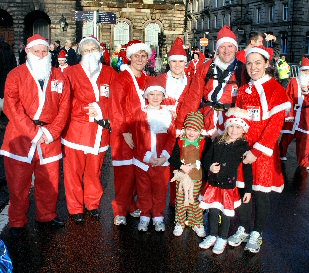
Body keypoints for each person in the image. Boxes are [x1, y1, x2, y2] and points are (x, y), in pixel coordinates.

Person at [0, 34, 70, 236]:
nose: (41, 54)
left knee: (49, 181)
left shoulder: (58, 76)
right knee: (18, 183)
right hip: (21, 136)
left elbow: (65, 107)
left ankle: (47, 214)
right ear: (27, 52)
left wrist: (52, 132)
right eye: (36, 51)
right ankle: (17, 220)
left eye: (44, 51)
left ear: (49, 53)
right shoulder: (16, 74)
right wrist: (32, 133)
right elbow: (11, 107)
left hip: (49, 136)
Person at [227, 46, 290, 253]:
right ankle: (244, 228)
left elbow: (274, 126)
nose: (253, 67)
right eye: (250, 63)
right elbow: (240, 120)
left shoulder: (276, 90)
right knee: (244, 190)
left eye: (258, 63)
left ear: (266, 64)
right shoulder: (244, 89)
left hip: (263, 154)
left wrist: (257, 151)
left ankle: (257, 232)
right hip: (243, 150)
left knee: (261, 194)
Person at [61, 36, 118, 223]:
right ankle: (75, 207)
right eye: (86, 50)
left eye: (93, 49)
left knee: (95, 171)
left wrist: (102, 110)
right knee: (73, 172)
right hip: (76, 131)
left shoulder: (110, 73)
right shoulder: (70, 73)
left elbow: (117, 101)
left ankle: (92, 204)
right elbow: (64, 102)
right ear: (80, 53)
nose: (90, 53)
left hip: (100, 133)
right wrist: (86, 110)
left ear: (100, 51)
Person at [175, 25, 248, 138]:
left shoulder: (243, 69)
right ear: (217, 49)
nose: (226, 51)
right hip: (208, 121)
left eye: (230, 46)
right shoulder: (205, 68)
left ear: (235, 48)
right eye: (222, 47)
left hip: (233, 125)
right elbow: (193, 97)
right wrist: (181, 125)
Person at [109, 39, 152, 226]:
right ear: (130, 57)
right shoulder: (122, 79)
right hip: (125, 132)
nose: (140, 59)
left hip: (142, 131)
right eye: (137, 55)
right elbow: (115, 107)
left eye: (143, 55)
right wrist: (124, 131)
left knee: (138, 173)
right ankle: (120, 209)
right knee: (125, 174)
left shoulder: (148, 79)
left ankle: (133, 204)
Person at [199, 107, 252, 254]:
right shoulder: (217, 141)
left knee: (226, 213)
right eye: (232, 126)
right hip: (213, 184)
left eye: (238, 127)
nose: (234, 130)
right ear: (227, 126)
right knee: (213, 211)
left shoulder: (243, 146)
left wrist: (248, 189)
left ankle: (222, 238)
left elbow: (247, 169)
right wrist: (210, 166)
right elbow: (207, 157)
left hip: (228, 186)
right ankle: (212, 235)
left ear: (243, 130)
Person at [130, 76, 175, 232]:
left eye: (159, 94)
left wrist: (164, 155)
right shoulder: (140, 114)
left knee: (160, 190)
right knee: (143, 190)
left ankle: (158, 216)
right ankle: (144, 216)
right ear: (146, 96)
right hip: (143, 161)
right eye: (152, 94)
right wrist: (147, 156)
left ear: (163, 96)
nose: (155, 98)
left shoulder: (168, 115)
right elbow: (137, 138)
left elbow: (171, 137)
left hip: (162, 162)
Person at [157, 37, 192, 207]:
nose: (177, 65)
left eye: (181, 61)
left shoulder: (191, 82)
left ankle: (177, 202)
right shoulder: (160, 80)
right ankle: (157, 205)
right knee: (162, 167)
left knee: (181, 166)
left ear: (185, 63)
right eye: (174, 61)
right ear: (169, 62)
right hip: (163, 130)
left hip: (184, 130)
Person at [168, 111, 207, 238]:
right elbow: (172, 158)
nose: (191, 133)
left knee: (194, 201)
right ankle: (179, 222)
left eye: (195, 130)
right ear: (185, 129)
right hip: (182, 177)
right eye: (189, 129)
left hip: (197, 177)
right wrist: (181, 165)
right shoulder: (180, 142)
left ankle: (196, 222)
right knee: (180, 201)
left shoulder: (204, 143)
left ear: (200, 131)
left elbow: (207, 160)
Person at [279, 56, 309, 168]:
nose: (306, 73)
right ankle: (281, 154)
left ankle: (304, 161)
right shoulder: (294, 81)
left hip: (305, 115)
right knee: (287, 136)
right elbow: (288, 98)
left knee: (304, 139)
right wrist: (289, 113)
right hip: (294, 112)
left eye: (308, 71)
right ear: (301, 71)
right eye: (304, 71)